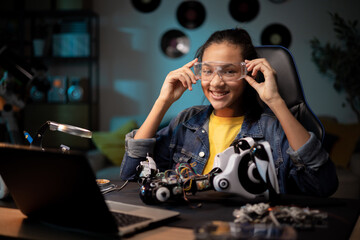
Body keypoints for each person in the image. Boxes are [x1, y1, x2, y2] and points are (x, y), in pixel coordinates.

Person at [119, 28, 338, 197]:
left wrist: (275, 101)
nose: (216, 82)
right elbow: (131, 175)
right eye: (207, 71)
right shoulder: (187, 122)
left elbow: (322, 184)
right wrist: (163, 101)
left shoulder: (271, 129)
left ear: (248, 73)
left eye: (230, 71)